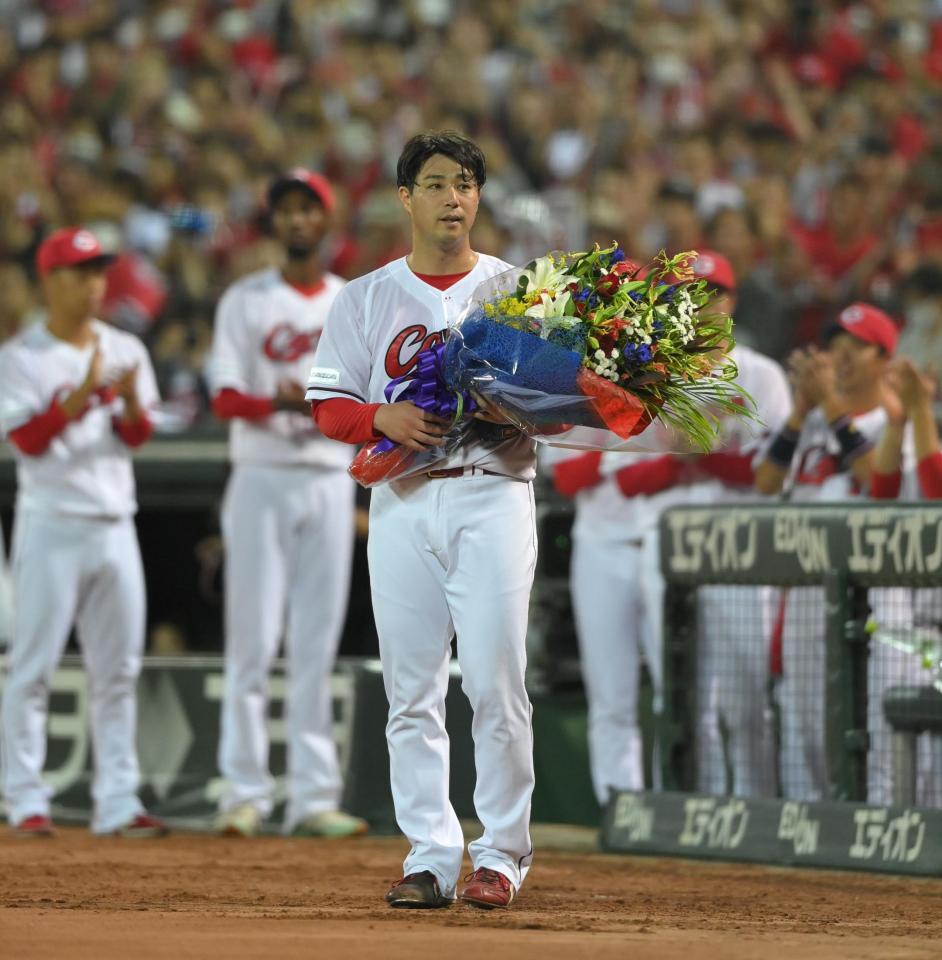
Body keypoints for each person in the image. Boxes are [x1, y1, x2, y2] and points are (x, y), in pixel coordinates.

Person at [307, 131, 535, 910]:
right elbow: (327, 404)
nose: (454, 197)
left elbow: (560, 400)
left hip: (492, 492)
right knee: (412, 690)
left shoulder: (516, 289)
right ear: (405, 198)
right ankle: (432, 855)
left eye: (466, 183)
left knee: (498, 684)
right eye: (436, 183)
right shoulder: (366, 296)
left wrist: (524, 411)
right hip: (402, 500)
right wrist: (383, 415)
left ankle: (502, 855)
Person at [207, 170, 366, 839]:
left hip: (327, 477)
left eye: (309, 210)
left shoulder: (349, 302)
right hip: (263, 475)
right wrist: (275, 401)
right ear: (274, 223)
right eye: (288, 211)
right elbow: (223, 397)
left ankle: (312, 796)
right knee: (252, 639)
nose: (298, 220)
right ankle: (244, 791)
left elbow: (364, 400)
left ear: (325, 222)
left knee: (315, 642)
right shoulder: (246, 299)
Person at [0, 227, 166, 838]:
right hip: (51, 523)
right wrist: (80, 396)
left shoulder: (125, 347)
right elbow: (28, 440)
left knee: (118, 669)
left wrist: (125, 404)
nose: (94, 283)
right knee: (33, 666)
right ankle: (25, 799)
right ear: (51, 280)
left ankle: (117, 800)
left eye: (99, 272)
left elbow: (137, 436)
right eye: (79, 272)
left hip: (114, 521)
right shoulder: (20, 356)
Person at [754, 302, 911, 802]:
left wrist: (830, 407)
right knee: (809, 728)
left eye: (853, 349)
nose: (839, 360)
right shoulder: (814, 422)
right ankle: (825, 845)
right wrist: (802, 409)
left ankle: (880, 833)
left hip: (876, 595)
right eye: (833, 348)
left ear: (884, 357)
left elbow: (877, 483)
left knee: (875, 726)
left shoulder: (895, 420)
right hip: (807, 592)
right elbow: (766, 481)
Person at [680, 251, 792, 799]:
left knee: (748, 700)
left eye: (715, 294)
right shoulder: (663, 371)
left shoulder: (762, 373)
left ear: (733, 301)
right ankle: (699, 810)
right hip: (681, 546)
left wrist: (694, 447)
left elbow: (773, 467)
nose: (705, 307)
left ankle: (757, 807)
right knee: (691, 697)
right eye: (695, 296)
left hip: (747, 546)